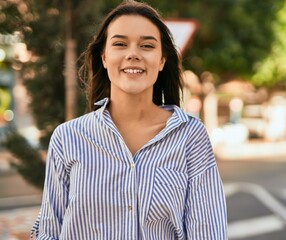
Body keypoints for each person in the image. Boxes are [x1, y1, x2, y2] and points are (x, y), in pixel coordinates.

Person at [31, 0, 227, 239]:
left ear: (162, 60)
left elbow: (208, 232)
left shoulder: (190, 136)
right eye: (120, 44)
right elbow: (49, 232)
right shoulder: (68, 138)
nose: (133, 54)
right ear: (104, 57)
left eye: (147, 45)